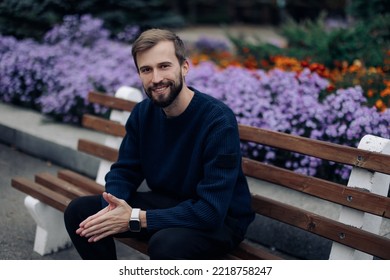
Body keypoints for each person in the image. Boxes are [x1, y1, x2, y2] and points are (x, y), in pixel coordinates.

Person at [64, 28, 255, 260]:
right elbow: (125, 171)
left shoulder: (217, 120)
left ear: (184, 67)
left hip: (219, 219)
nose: (155, 79)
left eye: (164, 66)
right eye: (146, 69)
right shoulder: (143, 113)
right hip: (168, 202)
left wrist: (135, 217)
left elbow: (210, 211)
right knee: (80, 212)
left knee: (166, 245)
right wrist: (114, 206)